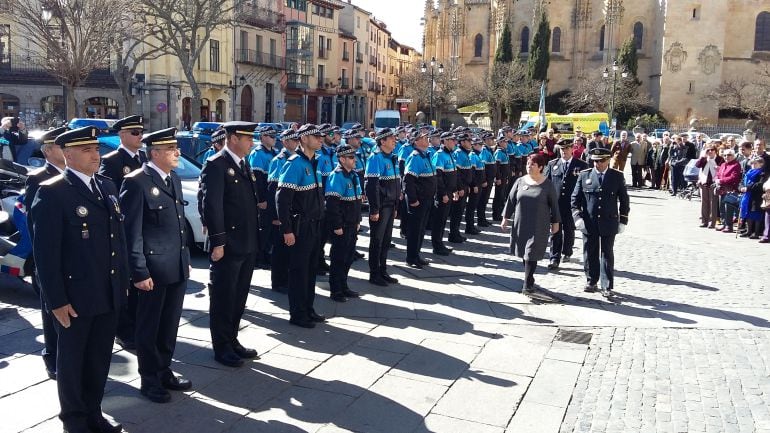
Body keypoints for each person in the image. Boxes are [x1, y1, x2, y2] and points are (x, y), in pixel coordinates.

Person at [32, 126, 128, 433]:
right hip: (75, 297)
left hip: (108, 291)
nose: (95, 155)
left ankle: (94, 413)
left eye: (96, 149)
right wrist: (56, 301)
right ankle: (74, 421)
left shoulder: (108, 186)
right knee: (72, 363)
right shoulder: (53, 191)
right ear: (67, 154)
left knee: (99, 359)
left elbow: (118, 239)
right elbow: (45, 255)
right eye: (86, 151)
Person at [120, 128, 192, 403]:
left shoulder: (170, 177)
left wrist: (184, 262)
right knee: (148, 328)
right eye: (172, 149)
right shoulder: (137, 182)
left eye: (176, 148)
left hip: (175, 265)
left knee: (169, 324)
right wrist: (139, 271)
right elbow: (131, 232)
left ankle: (164, 370)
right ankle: (149, 379)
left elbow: (176, 224)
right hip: (152, 271)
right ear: (155, 153)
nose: (178, 153)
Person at [200, 121, 261, 367]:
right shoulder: (216, 165)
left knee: (239, 296)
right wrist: (218, 242)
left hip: (246, 242)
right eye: (248, 138)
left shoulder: (243, 165)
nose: (252, 142)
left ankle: (232, 338)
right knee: (224, 297)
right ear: (233, 138)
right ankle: (221, 346)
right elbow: (211, 205)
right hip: (228, 244)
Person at [99, 114, 146, 351]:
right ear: (122, 135)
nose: (140, 136)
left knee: (142, 280)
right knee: (127, 282)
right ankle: (124, 330)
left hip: (144, 228)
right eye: (135, 133)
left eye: (141, 132)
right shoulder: (112, 161)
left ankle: (138, 325)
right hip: (124, 228)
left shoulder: (145, 158)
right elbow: (110, 197)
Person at [24, 126, 67, 381]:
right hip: (50, 255)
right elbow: (34, 222)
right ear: (48, 150)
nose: (65, 151)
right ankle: (52, 356)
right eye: (60, 146)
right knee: (51, 312)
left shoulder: (73, 176)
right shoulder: (38, 178)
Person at [277, 124, 327, 328]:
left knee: (311, 269)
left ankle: (308, 308)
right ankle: (297, 313)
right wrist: (287, 229)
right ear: (304, 139)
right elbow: (283, 199)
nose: (320, 139)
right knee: (299, 271)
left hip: (315, 225)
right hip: (301, 226)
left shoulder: (315, 161)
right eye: (316, 136)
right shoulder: (295, 163)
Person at [571, 147, 630, 298]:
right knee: (590, 251)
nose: (598, 164)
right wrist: (578, 218)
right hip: (589, 222)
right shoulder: (585, 175)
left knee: (606, 253)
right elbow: (575, 199)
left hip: (609, 220)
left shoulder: (616, 176)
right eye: (595, 161)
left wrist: (623, 220)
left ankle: (607, 285)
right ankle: (591, 280)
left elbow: (624, 200)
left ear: (609, 160)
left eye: (602, 161)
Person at [501, 153, 560, 294]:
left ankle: (527, 284)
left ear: (540, 167)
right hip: (521, 223)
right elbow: (511, 200)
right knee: (524, 253)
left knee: (531, 252)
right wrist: (506, 218)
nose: (529, 166)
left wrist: (555, 223)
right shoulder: (520, 181)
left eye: (532, 164)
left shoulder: (547, 184)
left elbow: (555, 206)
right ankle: (530, 277)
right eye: (528, 164)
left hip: (539, 224)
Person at [325, 145, 363, 302]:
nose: (355, 160)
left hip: (352, 223)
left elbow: (357, 201)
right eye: (351, 158)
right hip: (343, 226)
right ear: (342, 159)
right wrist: (337, 225)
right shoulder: (337, 176)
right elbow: (332, 205)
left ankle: (344, 285)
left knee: (348, 258)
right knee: (338, 258)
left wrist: (358, 220)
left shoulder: (353, 175)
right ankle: (336, 290)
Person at [544, 139, 588, 270]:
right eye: (562, 149)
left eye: (567, 148)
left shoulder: (581, 165)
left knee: (569, 229)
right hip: (556, 204)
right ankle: (554, 257)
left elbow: (584, 186)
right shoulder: (553, 164)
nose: (564, 151)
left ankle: (567, 252)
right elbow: (547, 183)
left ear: (572, 149)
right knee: (555, 231)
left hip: (572, 204)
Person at [365, 128, 401, 286]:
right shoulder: (375, 158)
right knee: (377, 241)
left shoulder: (392, 158)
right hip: (381, 207)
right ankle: (374, 273)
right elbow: (372, 186)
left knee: (386, 240)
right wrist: (374, 209)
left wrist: (395, 205)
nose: (394, 140)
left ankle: (383, 270)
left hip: (390, 205)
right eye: (391, 138)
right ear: (382, 141)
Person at [268, 129, 300, 293]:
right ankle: (278, 282)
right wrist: (275, 216)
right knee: (279, 250)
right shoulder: (279, 160)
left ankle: (286, 279)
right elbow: (274, 189)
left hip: (290, 212)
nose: (296, 143)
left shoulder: (295, 159)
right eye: (293, 140)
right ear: (285, 142)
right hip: (280, 214)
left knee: (288, 250)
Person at [403, 129, 436, 268]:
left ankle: (416, 255)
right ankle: (411, 257)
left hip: (427, 199)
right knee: (415, 230)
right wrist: (413, 199)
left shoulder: (426, 155)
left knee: (421, 229)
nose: (427, 138)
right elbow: (409, 180)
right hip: (419, 200)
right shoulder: (415, 156)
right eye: (423, 137)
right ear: (416, 141)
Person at [247, 125, 277, 269]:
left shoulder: (274, 153)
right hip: (264, 197)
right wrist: (261, 200)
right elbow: (257, 179)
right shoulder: (258, 154)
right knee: (263, 229)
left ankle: (266, 255)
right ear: (263, 137)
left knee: (270, 229)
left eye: (275, 136)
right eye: (271, 136)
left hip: (272, 197)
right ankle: (259, 257)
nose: (274, 139)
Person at [430, 132, 458, 256]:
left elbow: (453, 175)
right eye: (452, 140)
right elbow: (438, 177)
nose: (455, 142)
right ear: (445, 141)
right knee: (439, 221)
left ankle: (440, 243)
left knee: (443, 220)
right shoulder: (439, 155)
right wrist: (443, 193)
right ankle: (436, 246)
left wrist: (455, 190)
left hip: (449, 192)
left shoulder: (450, 154)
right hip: (443, 193)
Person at [695, 143, 724, 228]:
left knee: (713, 203)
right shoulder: (704, 159)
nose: (710, 151)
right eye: (708, 150)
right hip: (704, 182)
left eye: (712, 150)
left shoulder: (720, 159)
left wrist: (718, 168)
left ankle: (712, 222)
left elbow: (722, 168)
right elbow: (697, 165)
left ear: (715, 151)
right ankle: (704, 221)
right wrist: (703, 156)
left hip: (713, 183)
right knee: (704, 203)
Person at [715, 149, 742, 233]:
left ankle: (729, 226)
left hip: (730, 189)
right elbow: (718, 174)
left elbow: (734, 177)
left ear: (733, 156)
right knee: (721, 207)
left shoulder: (736, 165)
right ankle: (723, 223)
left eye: (729, 155)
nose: (727, 157)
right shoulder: (723, 164)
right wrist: (716, 179)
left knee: (728, 208)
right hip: (721, 189)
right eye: (725, 155)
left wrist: (721, 180)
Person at [739, 157, 766, 239]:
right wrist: (741, 187)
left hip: (757, 196)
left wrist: (748, 188)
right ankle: (749, 231)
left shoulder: (762, 173)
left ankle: (756, 232)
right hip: (747, 196)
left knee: (756, 214)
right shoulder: (748, 172)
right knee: (748, 213)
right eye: (752, 163)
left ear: (761, 164)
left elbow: (760, 184)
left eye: (755, 163)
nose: (753, 165)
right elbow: (742, 181)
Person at [477, 132, 498, 227]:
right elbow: (483, 167)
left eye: (492, 139)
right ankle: (480, 220)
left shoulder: (490, 150)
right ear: (485, 141)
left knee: (485, 200)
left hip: (490, 179)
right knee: (483, 200)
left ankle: (483, 218)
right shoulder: (484, 151)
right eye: (490, 139)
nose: (492, 141)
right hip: (486, 180)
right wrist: (484, 180)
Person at [491, 134, 511, 221]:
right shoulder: (499, 152)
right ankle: (496, 214)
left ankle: (500, 213)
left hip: (504, 177)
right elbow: (497, 167)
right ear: (499, 143)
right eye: (504, 141)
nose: (506, 143)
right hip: (501, 177)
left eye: (506, 141)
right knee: (498, 196)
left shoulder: (504, 151)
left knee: (502, 196)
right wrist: (498, 178)